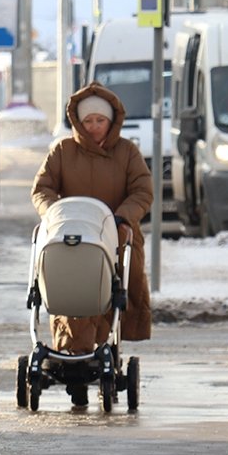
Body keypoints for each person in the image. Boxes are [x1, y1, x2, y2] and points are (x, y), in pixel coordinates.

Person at [32, 82, 153, 389]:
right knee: (72, 290)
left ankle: (102, 348)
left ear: (111, 121)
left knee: (111, 292)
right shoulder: (63, 150)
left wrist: (123, 218)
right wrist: (54, 213)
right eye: (88, 121)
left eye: (100, 121)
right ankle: (73, 350)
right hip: (71, 235)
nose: (95, 127)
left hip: (117, 234)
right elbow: (42, 188)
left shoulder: (127, 152)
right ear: (78, 123)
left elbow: (142, 190)